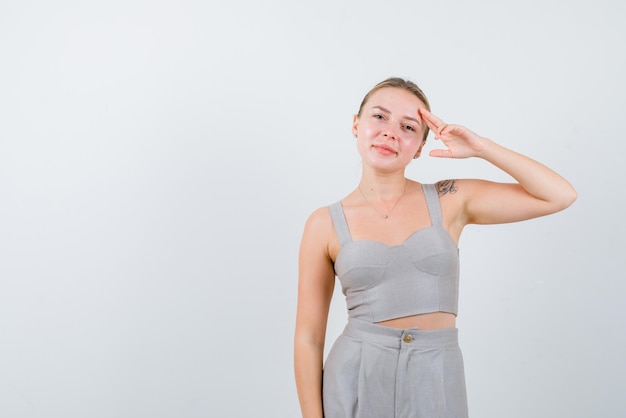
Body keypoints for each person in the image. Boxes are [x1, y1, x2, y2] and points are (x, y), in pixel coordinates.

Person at [293, 77, 577, 418]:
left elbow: (559, 195)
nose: (390, 132)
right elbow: (308, 338)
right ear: (356, 124)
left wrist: (482, 148)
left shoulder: (449, 199)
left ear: (420, 147)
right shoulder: (323, 223)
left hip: (436, 376)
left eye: (408, 126)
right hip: (356, 376)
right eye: (379, 117)